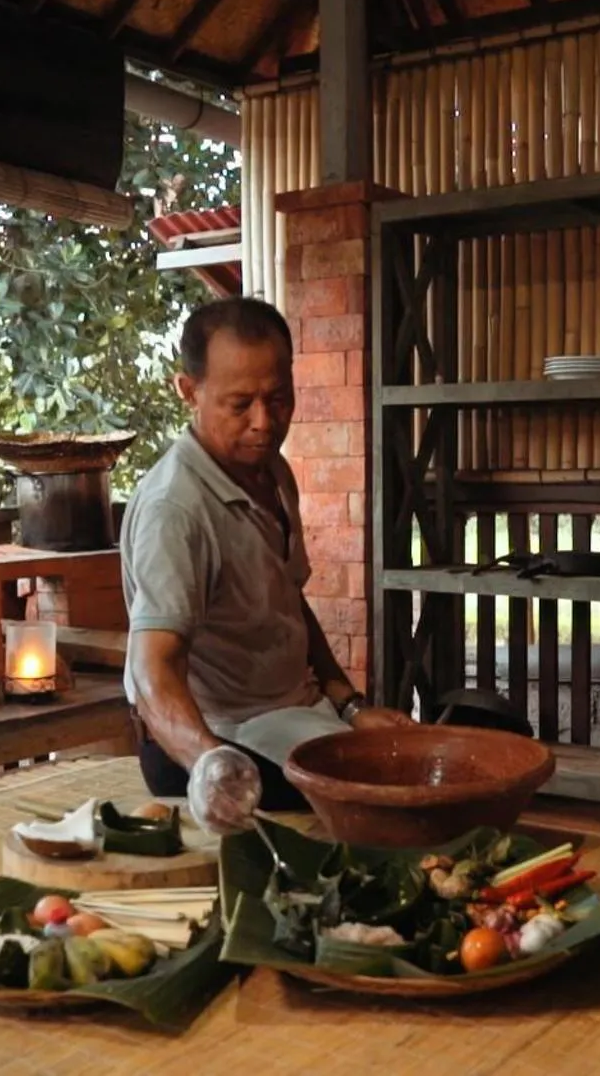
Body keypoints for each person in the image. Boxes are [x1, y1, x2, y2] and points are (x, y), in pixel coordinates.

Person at [120, 297, 409, 835]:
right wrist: (208, 764)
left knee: (409, 756)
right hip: (220, 739)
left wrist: (349, 706)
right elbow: (151, 670)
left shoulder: (272, 471)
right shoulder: (175, 508)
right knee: (384, 797)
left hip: (295, 718)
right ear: (188, 391)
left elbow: (286, 601)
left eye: (279, 398)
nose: (264, 422)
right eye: (240, 404)